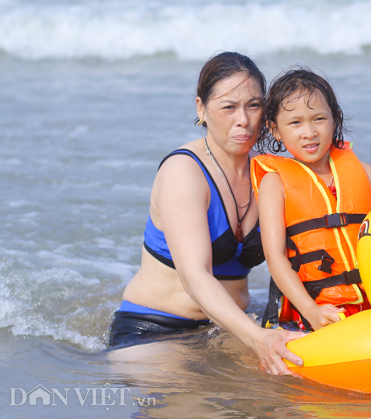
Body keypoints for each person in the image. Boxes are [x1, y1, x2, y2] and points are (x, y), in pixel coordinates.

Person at [108, 52, 305, 375]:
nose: (243, 120)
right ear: (201, 109)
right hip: (156, 331)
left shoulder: (270, 173)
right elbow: (194, 277)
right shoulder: (184, 172)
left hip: (231, 327)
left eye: (253, 105)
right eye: (228, 107)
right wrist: (259, 338)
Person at [251, 68, 371, 332]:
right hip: (313, 311)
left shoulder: (366, 174)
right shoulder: (276, 183)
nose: (309, 132)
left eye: (319, 119)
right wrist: (311, 311)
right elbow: (275, 258)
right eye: (295, 123)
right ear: (276, 130)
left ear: (335, 119)